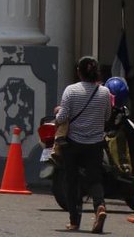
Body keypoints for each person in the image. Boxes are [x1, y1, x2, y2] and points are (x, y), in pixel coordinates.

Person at [55, 55, 112, 233]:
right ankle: (100, 207)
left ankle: (74, 221)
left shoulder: (71, 91)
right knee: (95, 179)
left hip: (73, 144)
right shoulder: (104, 92)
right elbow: (107, 117)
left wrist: (57, 112)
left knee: (72, 181)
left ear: (78, 72)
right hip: (95, 144)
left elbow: (62, 118)